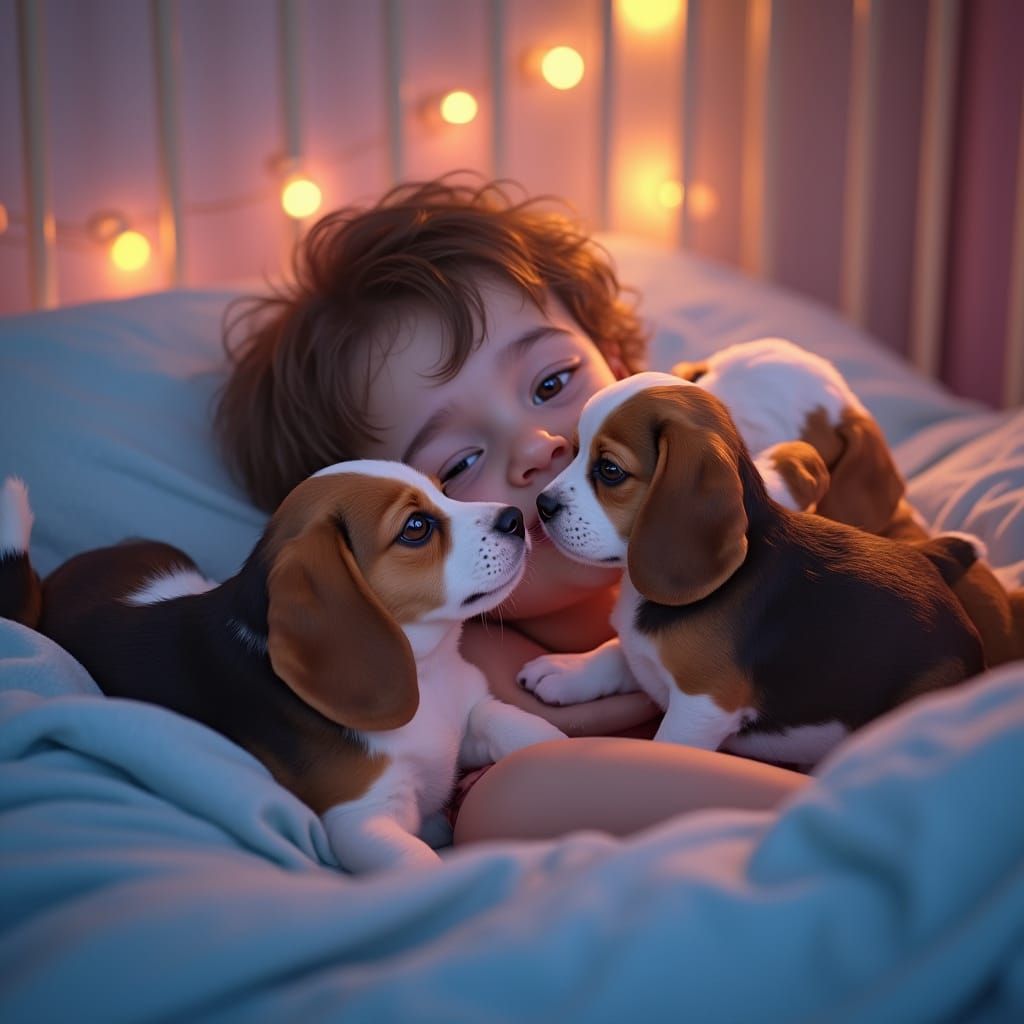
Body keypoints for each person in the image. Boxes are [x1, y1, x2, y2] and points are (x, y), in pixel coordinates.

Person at [213, 174, 809, 845]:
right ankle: (850, 815)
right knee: (518, 790)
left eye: (553, 383)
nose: (535, 448)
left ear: (616, 362)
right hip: (688, 810)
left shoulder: (736, 495)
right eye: (457, 465)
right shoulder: (466, 661)